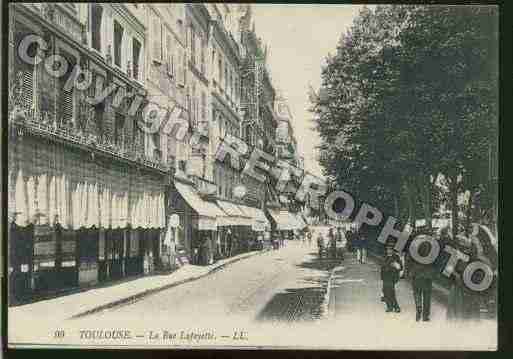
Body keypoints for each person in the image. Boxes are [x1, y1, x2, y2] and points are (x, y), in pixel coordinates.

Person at [406, 234, 437, 321]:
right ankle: (425, 316)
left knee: (417, 293)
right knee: (427, 295)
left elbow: (408, 260)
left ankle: (418, 309)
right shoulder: (432, 247)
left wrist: (408, 272)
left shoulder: (413, 247)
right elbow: (435, 262)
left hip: (416, 274)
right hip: (427, 275)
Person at [381, 242, 403, 313]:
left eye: (390, 249)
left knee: (391, 291)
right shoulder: (385, 256)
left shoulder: (395, 257)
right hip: (385, 276)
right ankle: (390, 307)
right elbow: (382, 266)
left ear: (393, 250)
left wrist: (396, 265)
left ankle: (395, 306)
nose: (389, 251)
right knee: (385, 291)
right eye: (388, 249)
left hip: (392, 277)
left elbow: (400, 267)